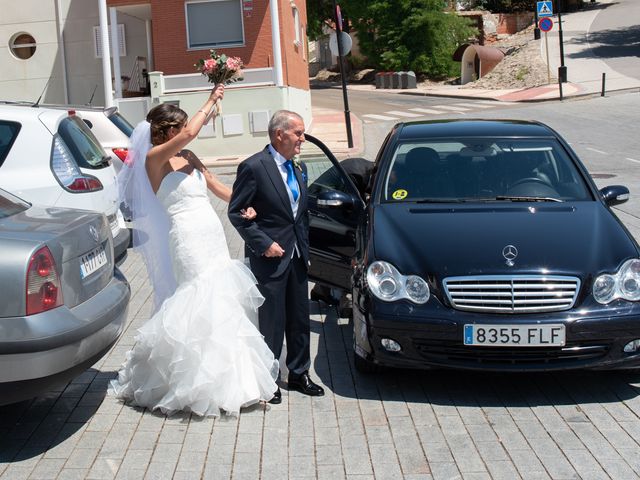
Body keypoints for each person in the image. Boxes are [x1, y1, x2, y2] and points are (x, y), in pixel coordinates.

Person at [109, 85, 279, 417]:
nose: (187, 132)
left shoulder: (188, 156)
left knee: (223, 301)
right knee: (199, 297)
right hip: (185, 236)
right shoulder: (153, 159)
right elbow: (190, 132)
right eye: (181, 126)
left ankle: (236, 383)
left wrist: (245, 204)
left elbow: (213, 182)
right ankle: (191, 383)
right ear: (168, 130)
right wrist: (213, 99)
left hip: (211, 232)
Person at [228, 110, 324, 404]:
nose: (302, 139)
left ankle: (299, 374)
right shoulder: (254, 167)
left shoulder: (300, 167)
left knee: (299, 318)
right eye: (298, 133)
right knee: (271, 320)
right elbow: (236, 212)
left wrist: (306, 249)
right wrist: (264, 243)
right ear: (279, 134)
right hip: (270, 256)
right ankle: (267, 380)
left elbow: (300, 216)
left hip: (297, 255)